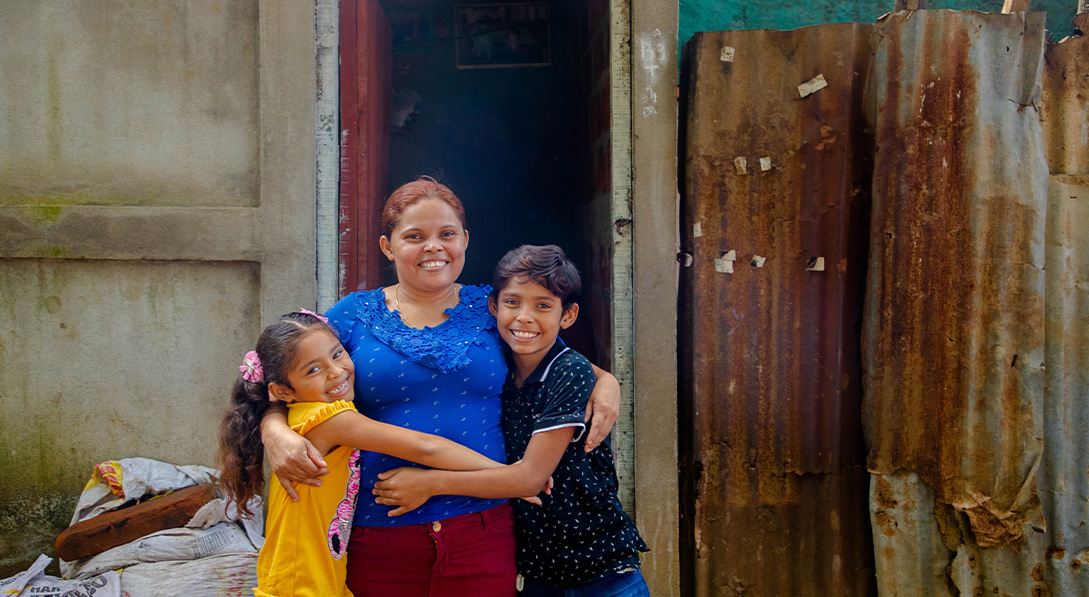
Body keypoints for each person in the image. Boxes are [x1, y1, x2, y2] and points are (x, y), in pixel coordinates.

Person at [259, 178, 620, 596]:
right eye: (414, 237)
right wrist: (276, 432)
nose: (433, 247)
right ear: (387, 246)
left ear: (464, 240)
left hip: (483, 529)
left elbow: (552, 357)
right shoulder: (352, 314)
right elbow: (273, 376)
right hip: (379, 532)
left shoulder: (492, 307)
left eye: (446, 234)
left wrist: (607, 380)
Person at [371, 245, 650, 596]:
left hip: (602, 571)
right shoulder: (498, 360)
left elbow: (531, 479)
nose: (524, 318)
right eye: (513, 302)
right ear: (493, 306)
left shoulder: (569, 371)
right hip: (537, 574)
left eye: (543, 305)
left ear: (568, 315)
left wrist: (428, 483)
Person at [217, 311, 517, 597]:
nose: (336, 372)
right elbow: (426, 448)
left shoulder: (303, 413)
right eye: (314, 369)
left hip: (311, 573)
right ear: (283, 392)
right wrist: (506, 477)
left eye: (337, 354)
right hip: (301, 580)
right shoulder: (329, 418)